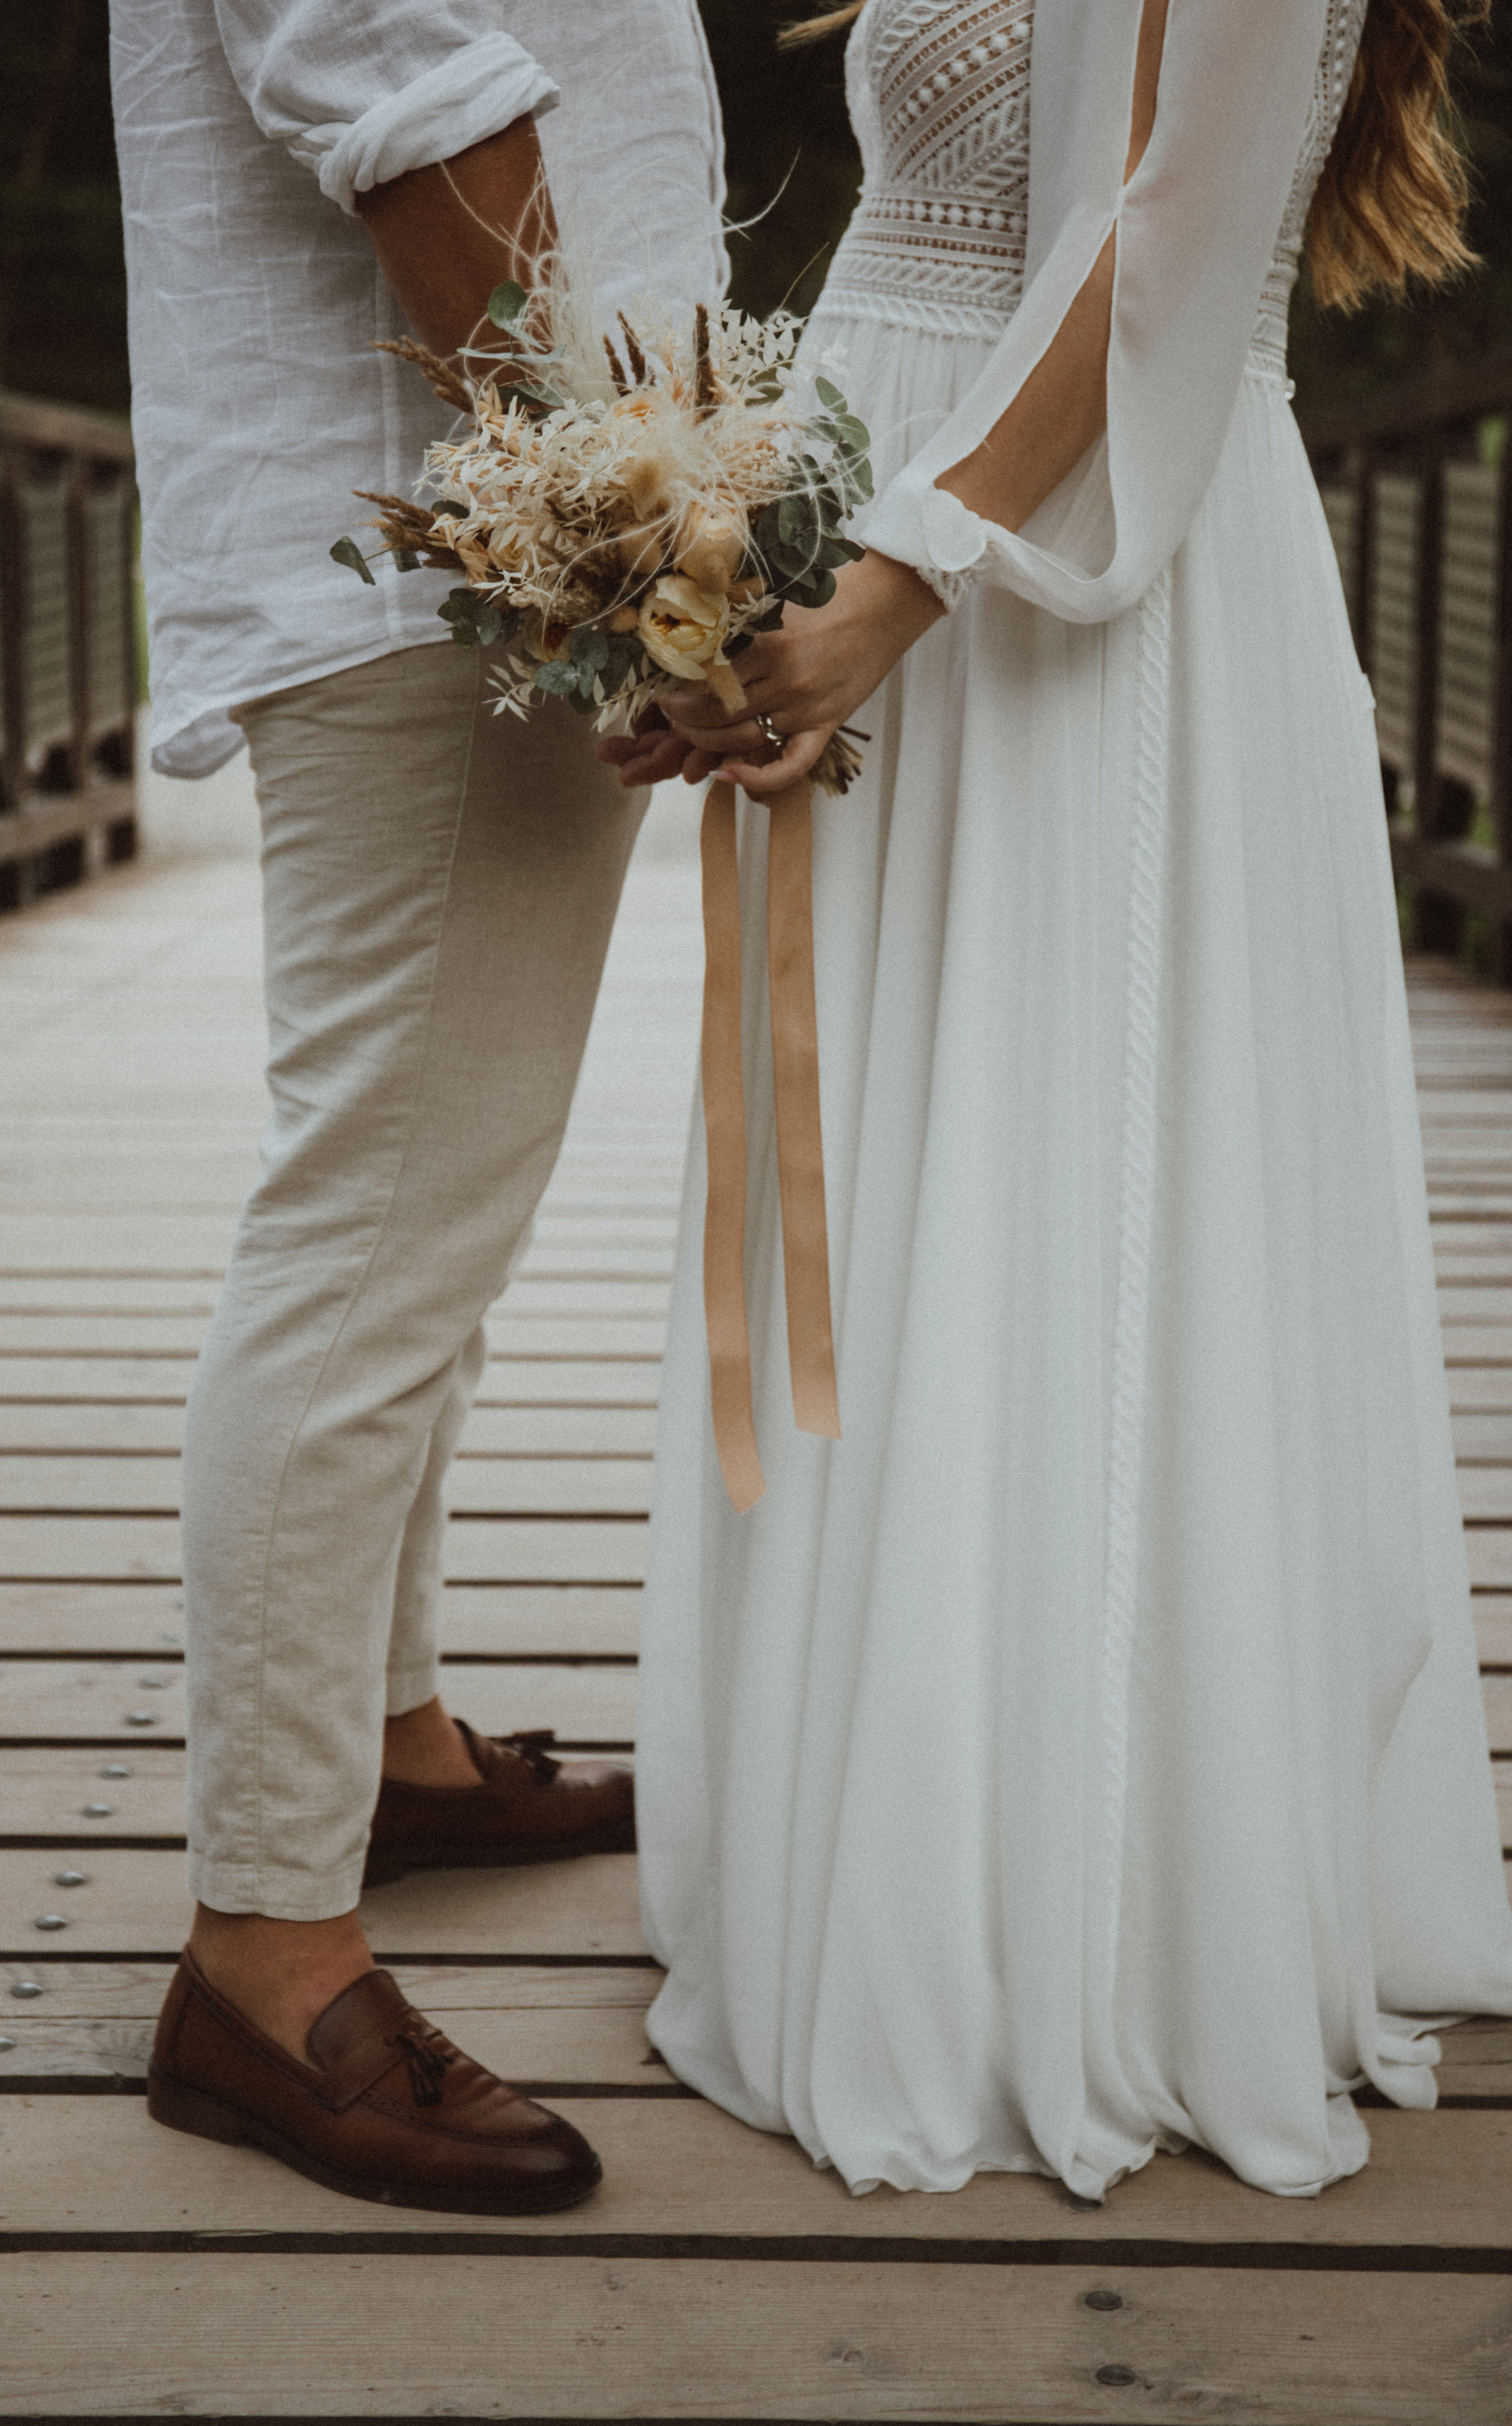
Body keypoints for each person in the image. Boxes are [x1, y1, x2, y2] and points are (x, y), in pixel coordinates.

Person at [607, 0, 1512, 2200]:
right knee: (888, 1157)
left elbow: (1156, 238)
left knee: (1058, 1198)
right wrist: (716, 540)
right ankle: (836, 1833)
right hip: (909, 537)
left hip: (1046, 587)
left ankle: (1065, 1921)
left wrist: (898, 575)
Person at [112, 0, 724, 2212]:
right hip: (455, 551)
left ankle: (385, 1748)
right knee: (374, 1238)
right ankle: (267, 1948)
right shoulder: (536, 519)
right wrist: (638, 540)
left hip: (461, 538)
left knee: (422, 1222)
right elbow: (401, 100)